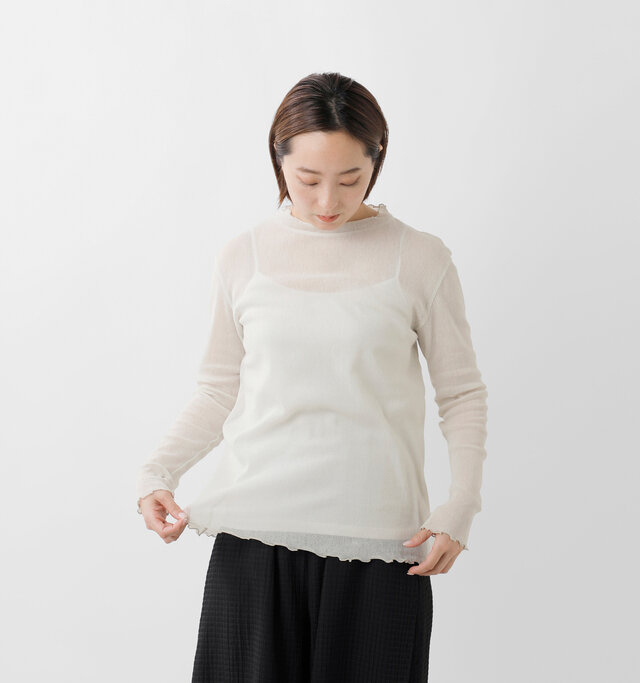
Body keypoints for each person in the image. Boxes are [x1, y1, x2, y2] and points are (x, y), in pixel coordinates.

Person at [136, 71, 488, 683]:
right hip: (253, 541)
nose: (328, 201)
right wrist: (156, 472)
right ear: (278, 161)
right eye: (307, 179)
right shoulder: (243, 256)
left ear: (377, 160)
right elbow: (218, 390)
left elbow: (461, 395)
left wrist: (461, 505)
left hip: (383, 550)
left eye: (350, 179)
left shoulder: (419, 257)